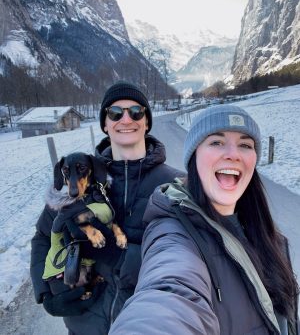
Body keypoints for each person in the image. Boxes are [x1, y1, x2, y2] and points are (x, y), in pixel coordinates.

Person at [109, 105, 299, 335]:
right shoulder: (174, 233)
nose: (233, 153)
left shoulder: (266, 234)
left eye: (245, 145)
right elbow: (170, 291)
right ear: (194, 157)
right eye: (216, 142)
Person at [30, 81, 184, 335]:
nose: (126, 119)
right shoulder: (76, 182)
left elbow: (187, 256)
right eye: (115, 113)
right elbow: (42, 236)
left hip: (146, 324)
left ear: (146, 122)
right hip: (84, 326)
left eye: (136, 112)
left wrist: (119, 257)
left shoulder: (176, 184)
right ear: (105, 124)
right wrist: (45, 291)